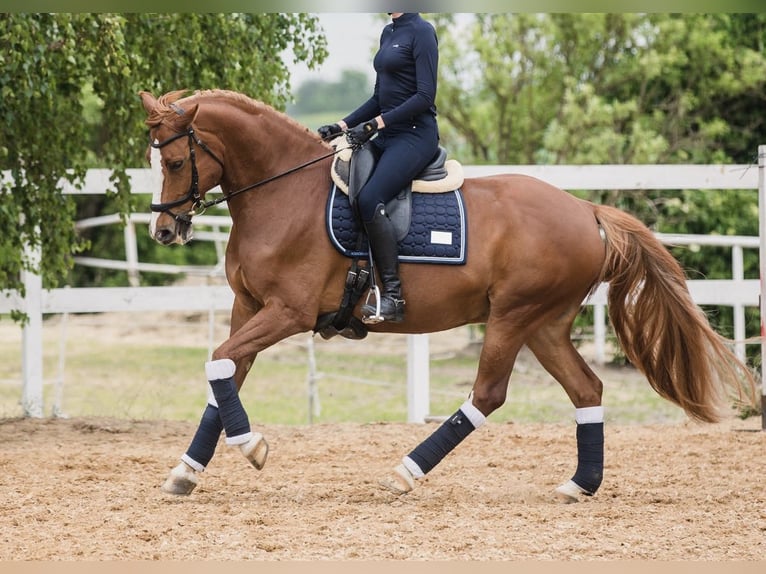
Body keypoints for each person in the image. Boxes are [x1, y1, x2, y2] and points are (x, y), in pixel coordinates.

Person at [318, 12, 440, 324]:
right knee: (344, 181)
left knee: (371, 197)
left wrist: (375, 124)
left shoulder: (422, 32)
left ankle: (394, 295)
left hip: (415, 135)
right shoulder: (389, 33)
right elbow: (378, 98)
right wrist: (341, 124)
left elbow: (425, 96)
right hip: (386, 135)